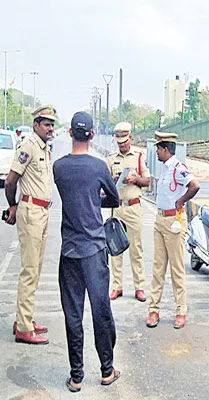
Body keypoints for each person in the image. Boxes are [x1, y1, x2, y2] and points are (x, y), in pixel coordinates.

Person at [53, 111, 121, 392]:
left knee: (73, 314)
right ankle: (107, 371)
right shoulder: (100, 167)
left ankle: (76, 376)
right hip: (94, 250)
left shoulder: (59, 167)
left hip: (69, 251)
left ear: (70, 133)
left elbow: (72, 195)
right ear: (92, 136)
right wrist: (97, 197)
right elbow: (114, 199)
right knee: (100, 310)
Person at [3, 105, 57, 345]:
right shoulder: (28, 146)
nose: (50, 128)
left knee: (35, 268)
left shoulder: (44, 148)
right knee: (29, 270)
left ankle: (24, 318)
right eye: (46, 124)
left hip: (42, 212)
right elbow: (10, 181)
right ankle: (24, 328)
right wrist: (12, 206)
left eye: (52, 124)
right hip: (31, 211)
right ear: (36, 125)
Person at [146, 132, 199, 329]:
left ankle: (181, 311)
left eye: (158, 149)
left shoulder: (178, 168)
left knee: (177, 269)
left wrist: (181, 201)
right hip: (160, 219)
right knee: (158, 267)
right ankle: (154, 310)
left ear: (165, 149)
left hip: (173, 221)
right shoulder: (165, 169)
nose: (157, 153)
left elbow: (195, 185)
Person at [106, 122, 151, 302]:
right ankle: (117, 286)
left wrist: (135, 179)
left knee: (136, 249)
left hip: (133, 207)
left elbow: (148, 180)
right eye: (119, 142)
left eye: (124, 141)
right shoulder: (110, 159)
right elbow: (105, 183)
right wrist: (113, 180)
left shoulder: (139, 157)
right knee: (115, 249)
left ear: (130, 138)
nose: (122, 145)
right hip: (117, 207)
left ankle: (139, 286)